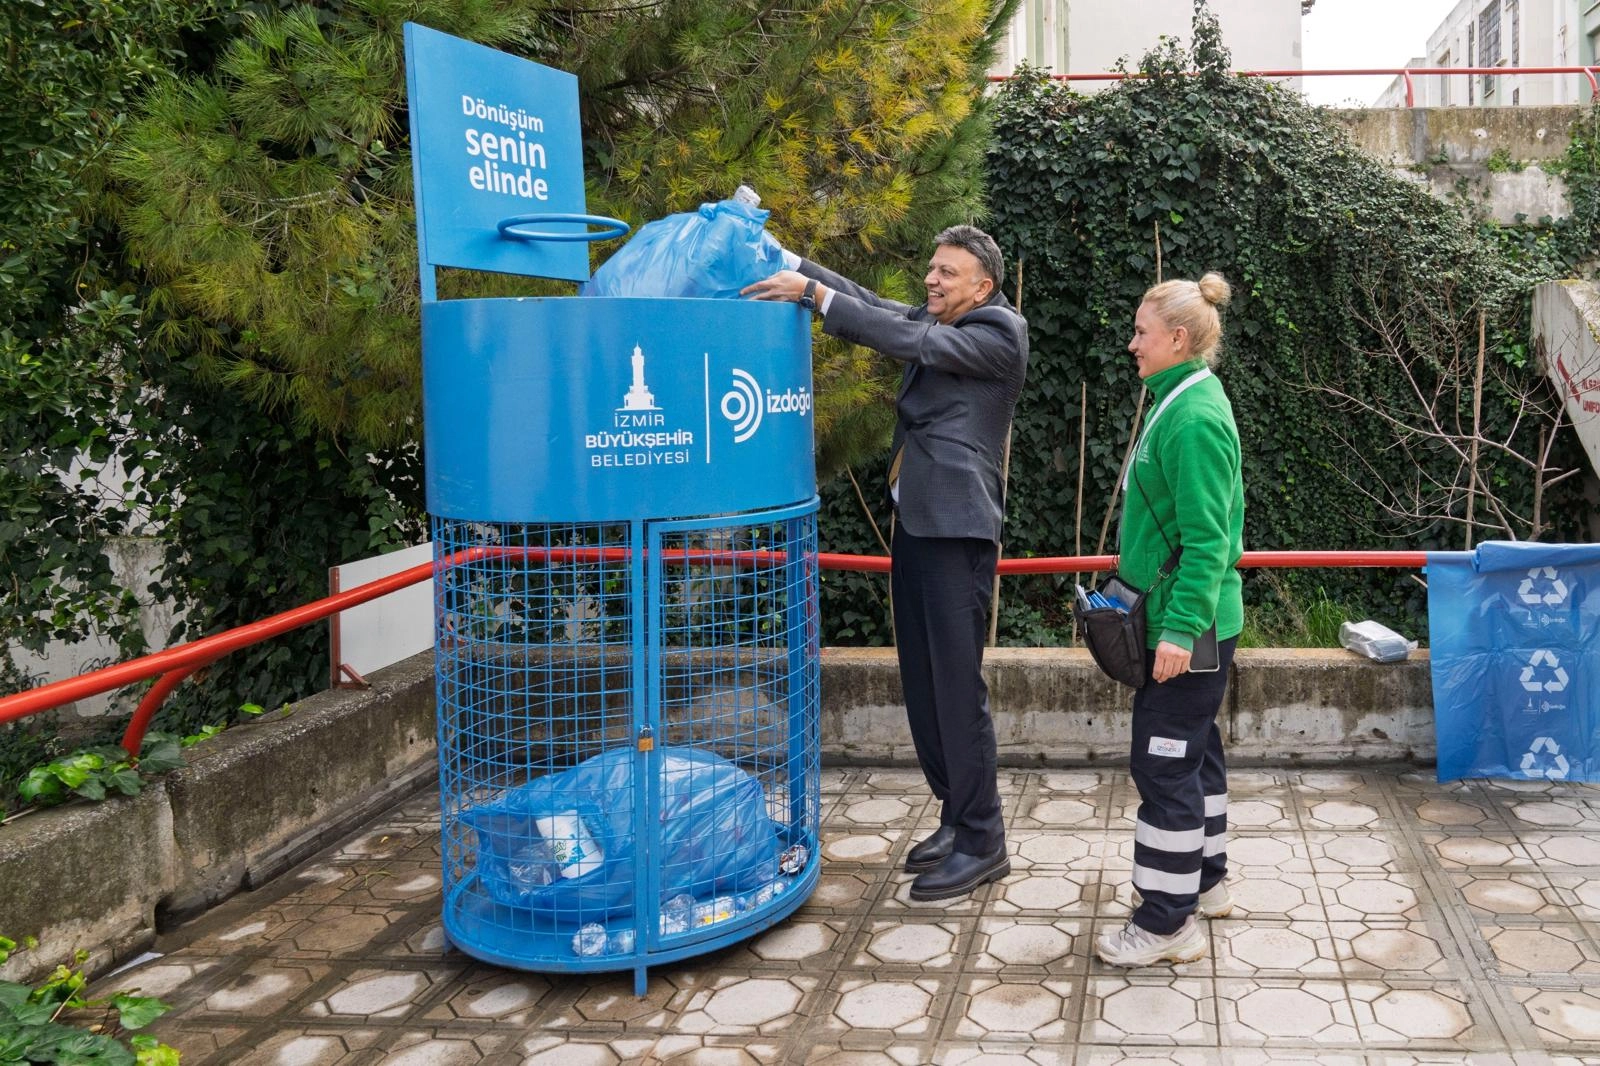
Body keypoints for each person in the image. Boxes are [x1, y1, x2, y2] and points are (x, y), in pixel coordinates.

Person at [743, 226, 1028, 901]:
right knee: (924, 684)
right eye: (931, 268)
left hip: (957, 530)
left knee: (957, 689)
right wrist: (790, 262)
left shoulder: (998, 331)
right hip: (920, 526)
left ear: (982, 286)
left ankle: (985, 839)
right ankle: (956, 817)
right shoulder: (945, 318)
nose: (931, 281)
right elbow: (876, 304)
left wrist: (811, 296)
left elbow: (912, 340)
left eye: (947, 273)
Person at [1094, 272, 1245, 967]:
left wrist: (1180, 631)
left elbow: (1210, 541)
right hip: (1182, 620)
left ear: (1177, 339)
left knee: (1163, 767)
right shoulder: (1177, 401)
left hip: (1190, 625)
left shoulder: (1195, 417)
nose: (1132, 345)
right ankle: (1205, 883)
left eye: (1142, 333)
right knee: (1195, 754)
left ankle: (1163, 923)